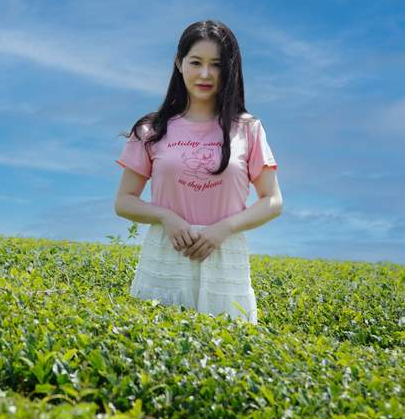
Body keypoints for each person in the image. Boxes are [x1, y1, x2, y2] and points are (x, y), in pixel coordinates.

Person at [113, 19, 282, 325]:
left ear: (229, 69)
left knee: (229, 353)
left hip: (224, 257)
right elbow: (124, 200)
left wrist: (224, 229)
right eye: (196, 62)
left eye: (216, 65)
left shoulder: (247, 128)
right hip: (166, 254)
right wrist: (166, 217)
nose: (205, 74)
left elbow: (272, 200)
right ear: (179, 64)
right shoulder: (152, 130)